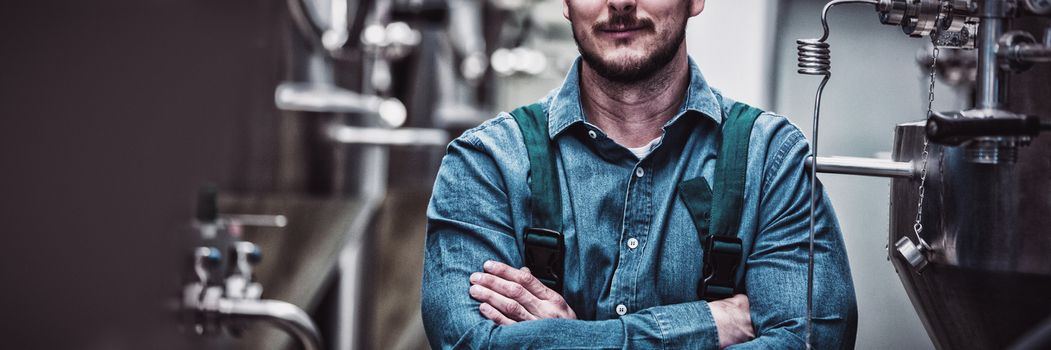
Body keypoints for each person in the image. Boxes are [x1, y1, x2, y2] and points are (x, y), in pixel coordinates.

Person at [420, 0, 858, 347]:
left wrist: (571, 339)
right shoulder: (486, 164)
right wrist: (706, 325)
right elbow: (468, 341)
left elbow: (813, 339)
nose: (621, 3)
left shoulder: (771, 161)